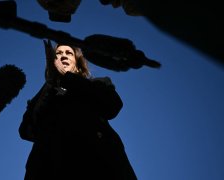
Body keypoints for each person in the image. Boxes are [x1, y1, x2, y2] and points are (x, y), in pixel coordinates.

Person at [19, 40, 137, 180]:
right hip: (51, 166)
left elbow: (112, 106)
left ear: (77, 61)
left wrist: (68, 78)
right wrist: (52, 84)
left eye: (69, 53)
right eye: (58, 53)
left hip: (97, 161)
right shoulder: (46, 94)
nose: (63, 56)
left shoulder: (96, 83)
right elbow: (26, 131)